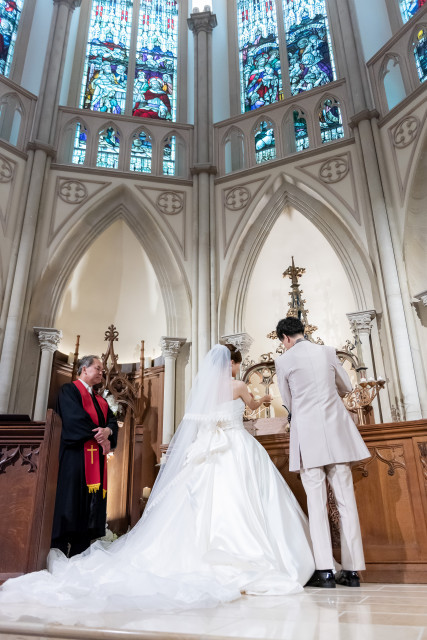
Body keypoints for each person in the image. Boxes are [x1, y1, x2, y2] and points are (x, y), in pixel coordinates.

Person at [0, 344, 314, 618]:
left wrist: (108, 431)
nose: (237, 367)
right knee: (243, 499)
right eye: (97, 368)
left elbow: (188, 422)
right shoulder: (239, 385)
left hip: (207, 451)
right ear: (231, 364)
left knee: (199, 504)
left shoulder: (203, 392)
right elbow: (252, 408)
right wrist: (266, 398)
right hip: (233, 448)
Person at [274, 317, 370, 588]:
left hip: (308, 437)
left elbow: (288, 401)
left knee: (317, 505)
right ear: (302, 332)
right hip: (337, 435)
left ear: (285, 338)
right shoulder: (327, 352)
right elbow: (347, 387)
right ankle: (352, 572)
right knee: (346, 503)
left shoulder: (283, 361)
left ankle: (325, 571)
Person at [51, 355, 119, 557]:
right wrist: (101, 436)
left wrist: (107, 432)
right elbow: (74, 419)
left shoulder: (101, 401)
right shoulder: (69, 391)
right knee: (71, 501)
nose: (101, 372)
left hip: (95, 463)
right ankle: (60, 551)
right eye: (98, 368)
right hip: (75, 459)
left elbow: (112, 422)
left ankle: (81, 551)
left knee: (90, 505)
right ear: (84, 369)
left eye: (102, 370)